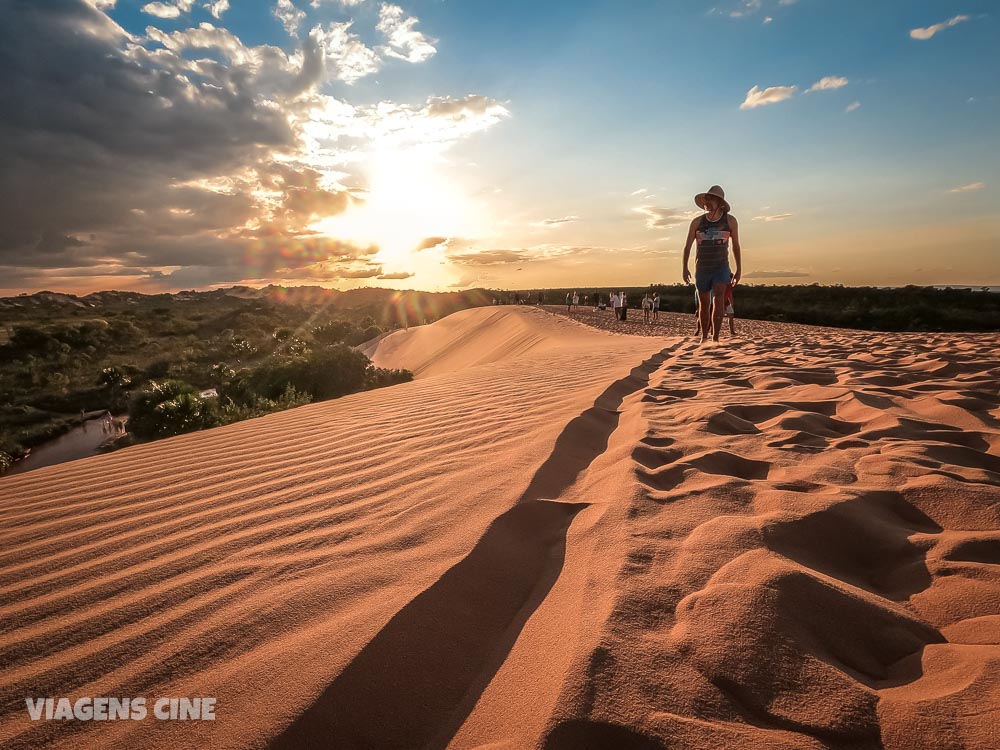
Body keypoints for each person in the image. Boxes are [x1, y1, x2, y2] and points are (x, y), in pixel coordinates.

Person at [682, 185, 742, 342]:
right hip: (702, 268)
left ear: (719, 202)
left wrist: (739, 269)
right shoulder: (697, 222)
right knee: (703, 303)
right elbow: (687, 246)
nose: (707, 201)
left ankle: (715, 338)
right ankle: (703, 337)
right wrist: (684, 268)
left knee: (719, 299)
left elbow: (736, 246)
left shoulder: (730, 221)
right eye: (706, 198)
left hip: (721, 267)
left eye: (710, 198)